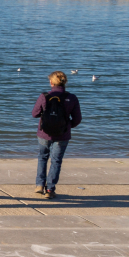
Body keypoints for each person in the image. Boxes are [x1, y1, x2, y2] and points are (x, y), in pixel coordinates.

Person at [32, 71, 82, 199]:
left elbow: (35, 113)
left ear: (51, 82)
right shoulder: (72, 98)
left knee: (42, 157)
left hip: (44, 133)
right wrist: (68, 125)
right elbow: (77, 119)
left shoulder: (44, 96)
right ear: (65, 82)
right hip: (62, 134)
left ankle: (39, 185)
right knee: (56, 161)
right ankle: (50, 189)